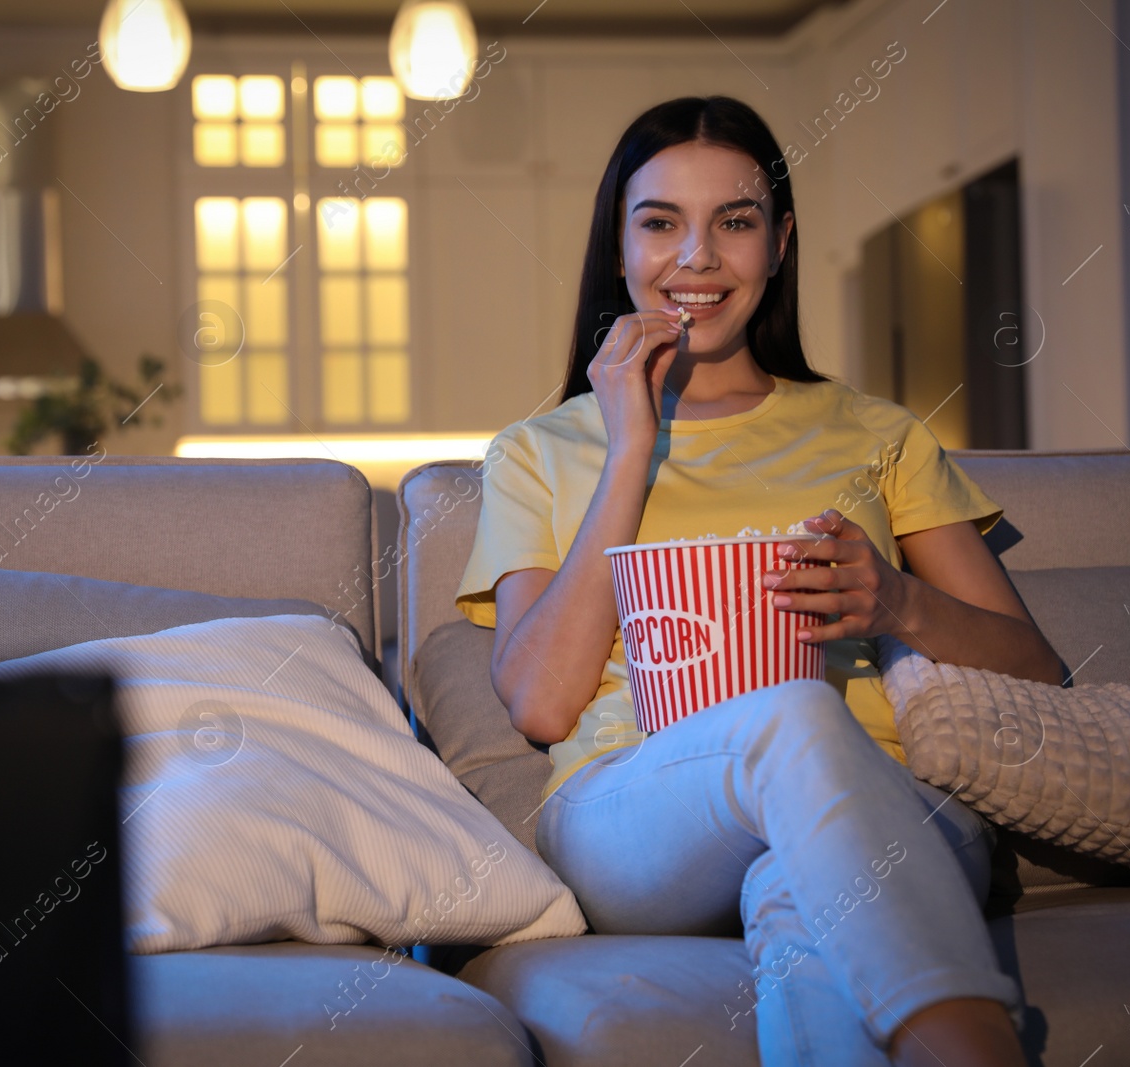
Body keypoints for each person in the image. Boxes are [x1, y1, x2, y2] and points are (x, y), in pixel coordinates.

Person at [455, 96, 1064, 1067]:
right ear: (618, 248)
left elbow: (1037, 673)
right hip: (637, 811)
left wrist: (898, 600)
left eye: (733, 221)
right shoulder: (538, 450)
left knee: (797, 886)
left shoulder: (879, 433)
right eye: (659, 222)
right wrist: (628, 450)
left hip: (892, 801)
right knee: (791, 709)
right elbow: (538, 698)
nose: (695, 257)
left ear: (777, 244)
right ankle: (973, 1046)